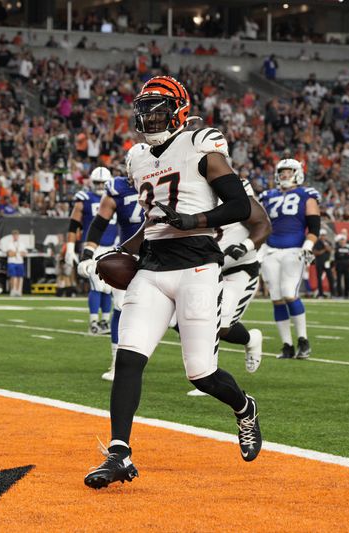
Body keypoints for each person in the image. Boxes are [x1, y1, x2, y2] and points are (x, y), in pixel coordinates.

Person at [83, 76, 261, 490]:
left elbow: (239, 205)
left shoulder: (202, 142)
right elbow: (153, 222)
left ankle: (244, 407)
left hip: (198, 266)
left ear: (179, 109)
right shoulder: (137, 157)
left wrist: (195, 221)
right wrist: (117, 253)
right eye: (145, 108)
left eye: (159, 108)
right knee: (128, 357)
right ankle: (118, 453)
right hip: (152, 267)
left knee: (201, 373)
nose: (150, 116)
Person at [185, 172, 272, 396]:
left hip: (238, 268)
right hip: (207, 268)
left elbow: (262, 224)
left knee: (220, 325)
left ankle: (249, 340)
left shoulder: (234, 188)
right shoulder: (190, 189)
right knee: (191, 320)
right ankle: (206, 376)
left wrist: (245, 245)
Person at [78, 157, 145, 381]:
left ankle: (202, 364)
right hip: (130, 252)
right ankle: (118, 362)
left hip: (151, 253)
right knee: (120, 305)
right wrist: (87, 251)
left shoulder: (136, 185)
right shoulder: (122, 187)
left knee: (170, 313)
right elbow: (98, 222)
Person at [259, 159, 321, 359]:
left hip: (295, 249)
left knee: (288, 293)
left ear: (297, 173)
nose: (284, 175)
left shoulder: (306, 194)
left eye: (288, 171)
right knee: (276, 297)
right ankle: (287, 345)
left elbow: (314, 227)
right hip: (270, 250)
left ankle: (303, 340)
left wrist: (308, 246)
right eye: (282, 172)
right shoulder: (268, 196)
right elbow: (259, 222)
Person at [66, 167, 119, 335]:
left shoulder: (115, 197)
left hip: (113, 245)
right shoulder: (84, 198)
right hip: (93, 246)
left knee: (108, 287)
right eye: (97, 182)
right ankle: (93, 322)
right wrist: (70, 247)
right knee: (97, 285)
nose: (100, 186)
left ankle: (104, 320)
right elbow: (74, 224)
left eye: (103, 183)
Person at [313, 229, 334, 298]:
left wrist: (326, 247)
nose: (323, 237)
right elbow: (316, 252)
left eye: (324, 235)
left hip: (327, 263)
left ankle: (332, 293)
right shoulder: (317, 242)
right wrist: (324, 249)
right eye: (322, 235)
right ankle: (320, 294)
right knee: (319, 278)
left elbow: (330, 250)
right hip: (319, 262)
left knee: (330, 278)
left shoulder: (328, 242)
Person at [6, 229, 27, 296]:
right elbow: (9, 254)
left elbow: (24, 253)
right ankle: (13, 290)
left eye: (16, 235)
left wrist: (15, 253)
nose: (15, 236)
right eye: (14, 235)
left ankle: (19, 290)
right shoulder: (9, 243)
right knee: (13, 276)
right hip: (12, 262)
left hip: (20, 262)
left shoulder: (22, 244)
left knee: (20, 277)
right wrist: (18, 253)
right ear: (12, 236)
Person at [334, 233, 349, 298]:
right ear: (339, 241)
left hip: (346, 266)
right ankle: (339, 294)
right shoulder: (337, 248)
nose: (343, 242)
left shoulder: (348, 248)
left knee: (348, 280)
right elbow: (337, 256)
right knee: (339, 280)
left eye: (344, 241)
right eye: (341, 241)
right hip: (339, 266)